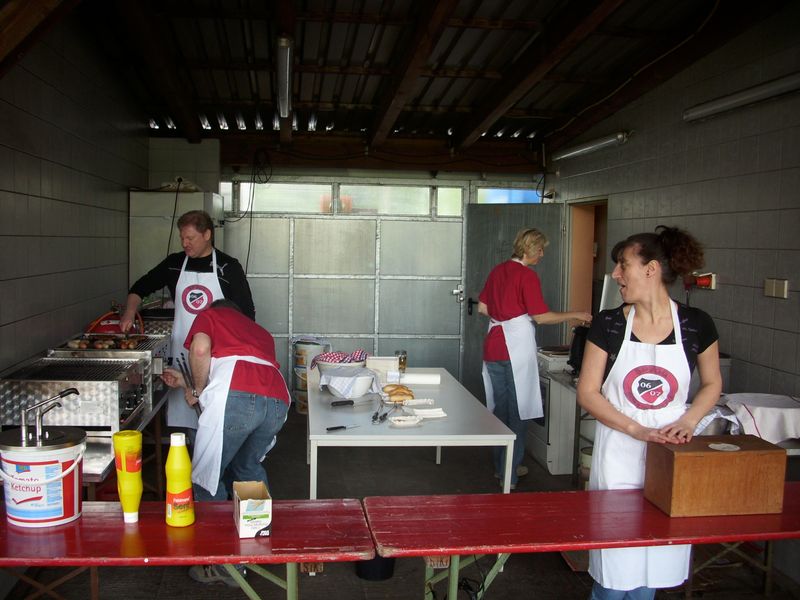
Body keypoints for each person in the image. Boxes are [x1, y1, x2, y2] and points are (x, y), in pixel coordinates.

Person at [576, 225, 722, 600]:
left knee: (655, 562)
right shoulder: (609, 323)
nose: (615, 275)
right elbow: (588, 392)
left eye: (623, 265)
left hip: (671, 452)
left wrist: (688, 421)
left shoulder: (695, 324)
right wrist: (636, 430)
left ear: (651, 269)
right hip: (619, 451)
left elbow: (712, 383)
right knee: (613, 568)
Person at [161, 299, 290, 588]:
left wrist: (195, 389)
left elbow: (200, 350)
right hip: (277, 399)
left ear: (218, 309)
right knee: (247, 470)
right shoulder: (259, 332)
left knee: (207, 477)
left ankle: (224, 565)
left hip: (237, 395)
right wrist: (188, 384)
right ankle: (254, 549)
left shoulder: (210, 316)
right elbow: (239, 372)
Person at [121, 210, 255, 437]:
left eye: (190, 238)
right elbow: (140, 287)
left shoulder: (228, 266)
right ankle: (192, 455)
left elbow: (247, 315)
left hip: (218, 355)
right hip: (182, 354)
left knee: (216, 418)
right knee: (187, 419)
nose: (185, 243)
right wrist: (129, 312)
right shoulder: (174, 264)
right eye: (182, 238)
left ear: (207, 235)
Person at [478, 228, 592, 489]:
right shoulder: (526, 275)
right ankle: (510, 475)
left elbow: (483, 308)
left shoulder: (497, 270)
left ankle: (502, 467)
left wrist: (504, 315)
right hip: (515, 349)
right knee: (519, 412)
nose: (542, 255)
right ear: (530, 249)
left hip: (493, 347)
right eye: (540, 250)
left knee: (500, 411)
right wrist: (576, 314)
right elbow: (540, 317)